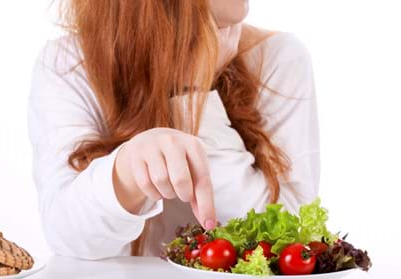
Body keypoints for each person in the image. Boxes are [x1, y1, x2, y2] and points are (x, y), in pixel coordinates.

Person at [27, 0, 319, 259]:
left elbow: (288, 238)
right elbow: (69, 236)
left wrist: (192, 92)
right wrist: (128, 169)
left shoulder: (280, 57)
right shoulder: (69, 64)